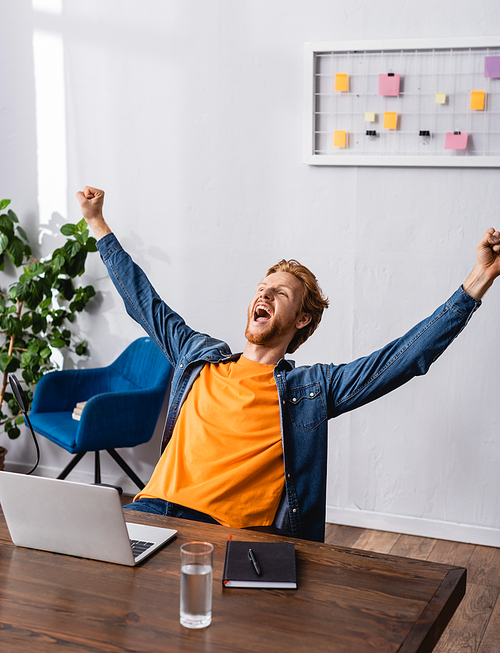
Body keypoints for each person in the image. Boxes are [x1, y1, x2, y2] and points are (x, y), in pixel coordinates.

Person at [77, 186, 500, 542]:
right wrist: (97, 222)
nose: (265, 294)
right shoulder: (197, 357)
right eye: (263, 288)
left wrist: (478, 280)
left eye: (280, 293)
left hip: (227, 535)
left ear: (301, 319)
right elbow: (142, 301)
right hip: (151, 510)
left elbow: (403, 359)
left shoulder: (310, 389)